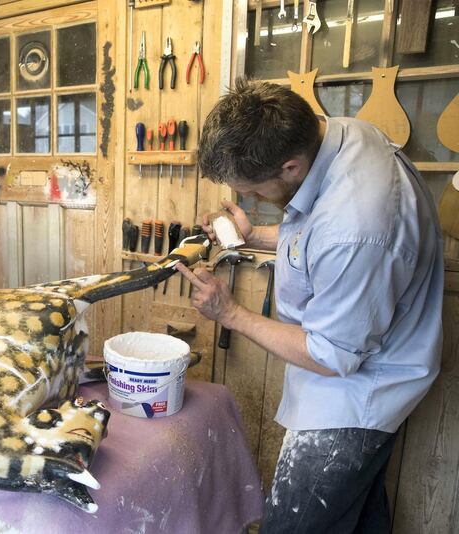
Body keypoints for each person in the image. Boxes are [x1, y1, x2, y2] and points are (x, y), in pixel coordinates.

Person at [175, 79, 443, 532]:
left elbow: (331, 353)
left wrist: (230, 313)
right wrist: (253, 235)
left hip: (357, 399)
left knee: (293, 524)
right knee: (355, 519)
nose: (255, 201)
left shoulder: (357, 227)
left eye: (257, 193)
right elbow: (316, 235)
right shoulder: (341, 135)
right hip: (364, 370)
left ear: (292, 165)